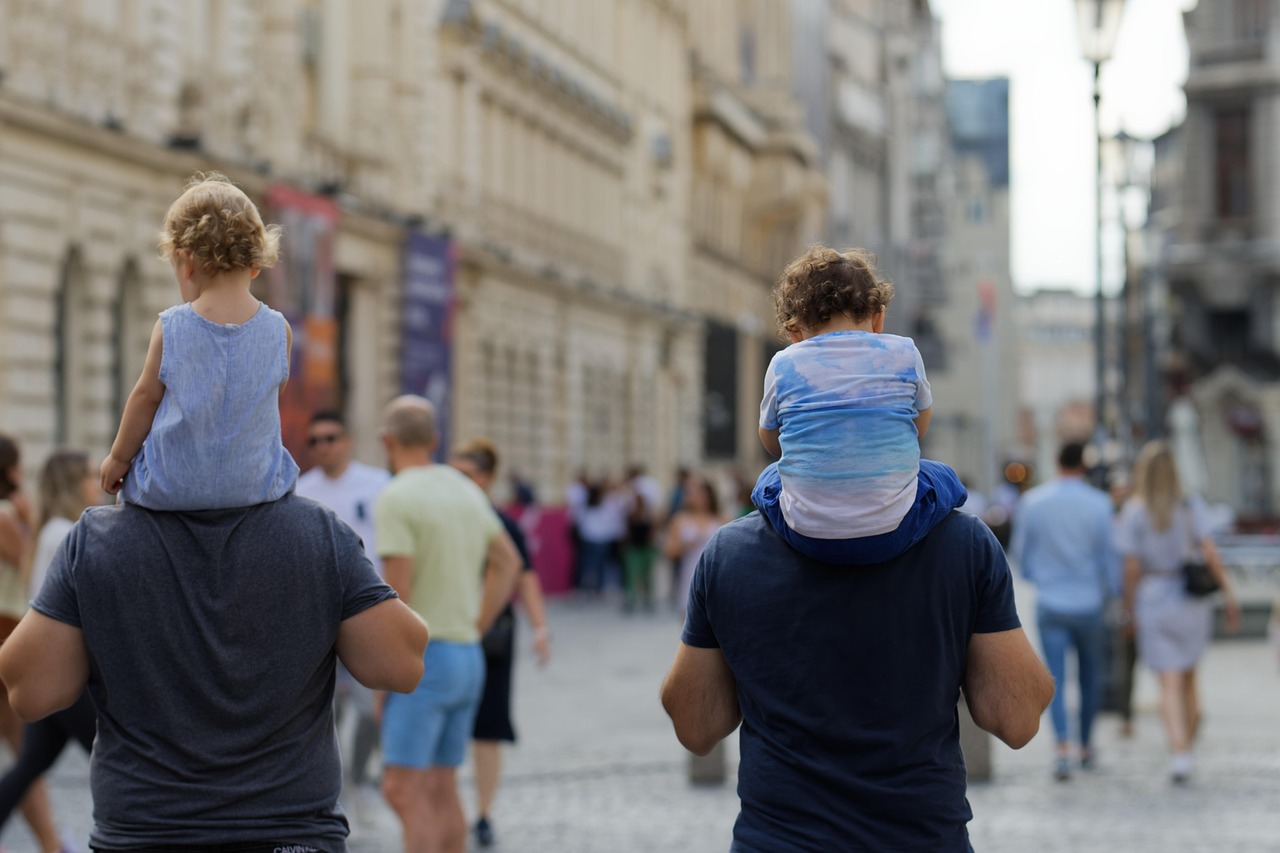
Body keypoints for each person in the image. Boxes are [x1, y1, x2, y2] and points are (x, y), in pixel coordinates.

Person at [0, 474, 428, 849]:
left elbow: (30, 691)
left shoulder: (98, 538)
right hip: (288, 831)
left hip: (147, 830)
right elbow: (402, 665)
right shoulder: (316, 531)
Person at [661, 504, 1054, 849]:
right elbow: (1016, 719)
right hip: (921, 840)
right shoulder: (964, 544)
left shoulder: (730, 552)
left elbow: (696, 728)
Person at [373, 396, 522, 853]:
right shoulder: (465, 489)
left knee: (402, 789)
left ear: (387, 442)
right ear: (435, 441)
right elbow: (509, 563)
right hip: (466, 655)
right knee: (442, 786)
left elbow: (396, 596)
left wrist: (382, 683)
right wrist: (477, 623)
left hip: (424, 660)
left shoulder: (397, 496)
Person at [754, 246, 966, 565]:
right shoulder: (905, 352)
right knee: (941, 474)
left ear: (794, 332)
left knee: (769, 478)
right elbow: (919, 427)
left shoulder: (783, 364)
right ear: (878, 317)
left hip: (807, 535)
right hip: (895, 530)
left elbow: (771, 442)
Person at [99, 171, 298, 510]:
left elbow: (146, 397)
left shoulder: (172, 326)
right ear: (255, 265)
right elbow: (269, 398)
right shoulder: (280, 330)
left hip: (171, 487)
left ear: (186, 262)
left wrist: (118, 458)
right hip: (254, 488)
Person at [1115, 440, 1241, 784]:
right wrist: (1229, 594)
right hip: (1189, 598)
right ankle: (1189, 734)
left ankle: (1180, 750)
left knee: (1168, 680)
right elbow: (1210, 552)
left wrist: (1128, 608)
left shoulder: (1135, 511)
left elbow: (1131, 567)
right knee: (1189, 676)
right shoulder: (1190, 505)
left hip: (1154, 596)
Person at [449, 438, 551, 850]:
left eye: (468, 474)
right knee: (446, 724)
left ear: (487, 477)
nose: (459, 482)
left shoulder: (502, 524)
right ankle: (449, 809)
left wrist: (540, 628)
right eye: (454, 473)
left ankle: (483, 813)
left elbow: (525, 577)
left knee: (488, 726)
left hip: (492, 635)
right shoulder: (442, 517)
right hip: (446, 628)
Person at [295, 410, 392, 818]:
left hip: (369, 613)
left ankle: (361, 778)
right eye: (314, 441)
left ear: (347, 440)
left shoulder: (378, 485)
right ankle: (332, 791)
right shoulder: (300, 490)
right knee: (324, 711)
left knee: (371, 707)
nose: (323, 447)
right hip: (317, 618)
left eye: (330, 438)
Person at [0, 451, 100, 837]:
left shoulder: (51, 531)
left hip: (53, 670)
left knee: (28, 767)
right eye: (89, 475)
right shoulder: (65, 533)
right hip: (68, 674)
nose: (97, 482)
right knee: (116, 758)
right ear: (72, 484)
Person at [1009, 441, 1117, 780]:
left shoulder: (1033, 502)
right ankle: (1086, 745)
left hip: (1051, 600)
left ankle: (1062, 747)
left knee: (1053, 677)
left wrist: (1039, 577)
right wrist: (1113, 593)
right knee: (1090, 676)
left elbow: (1021, 554)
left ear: (1056, 461)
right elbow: (1109, 558)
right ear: (1083, 465)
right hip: (1089, 601)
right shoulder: (1100, 504)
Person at [0, 435, 69, 853]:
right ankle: (51, 844)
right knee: (25, 752)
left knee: (25, 754)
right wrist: (27, 521)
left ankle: (52, 843)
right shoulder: (6, 515)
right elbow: (27, 568)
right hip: (6, 629)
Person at [664, 475, 724, 619]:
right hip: (690, 575)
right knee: (689, 619)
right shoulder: (680, 519)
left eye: (697, 492)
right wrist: (688, 544)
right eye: (689, 492)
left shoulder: (721, 518)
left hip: (716, 576)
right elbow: (670, 552)